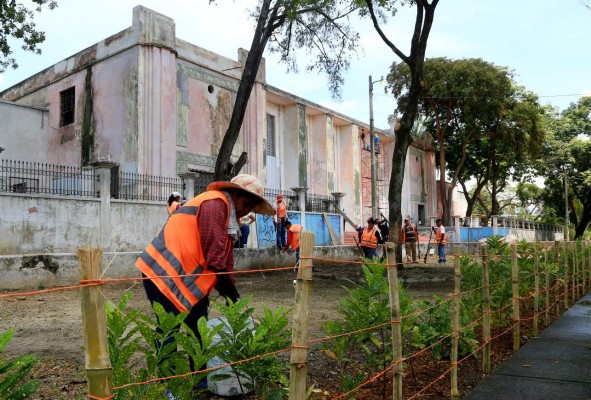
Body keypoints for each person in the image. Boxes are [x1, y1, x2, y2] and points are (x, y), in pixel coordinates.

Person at [135, 174, 275, 382]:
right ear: (235, 193)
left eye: (251, 208)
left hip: (184, 281)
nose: (246, 210)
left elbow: (225, 260)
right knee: (168, 330)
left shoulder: (228, 216)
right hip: (161, 273)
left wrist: (232, 293)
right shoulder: (214, 205)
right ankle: (167, 386)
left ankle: (200, 382)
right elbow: (215, 258)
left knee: (199, 329)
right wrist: (229, 291)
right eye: (246, 203)